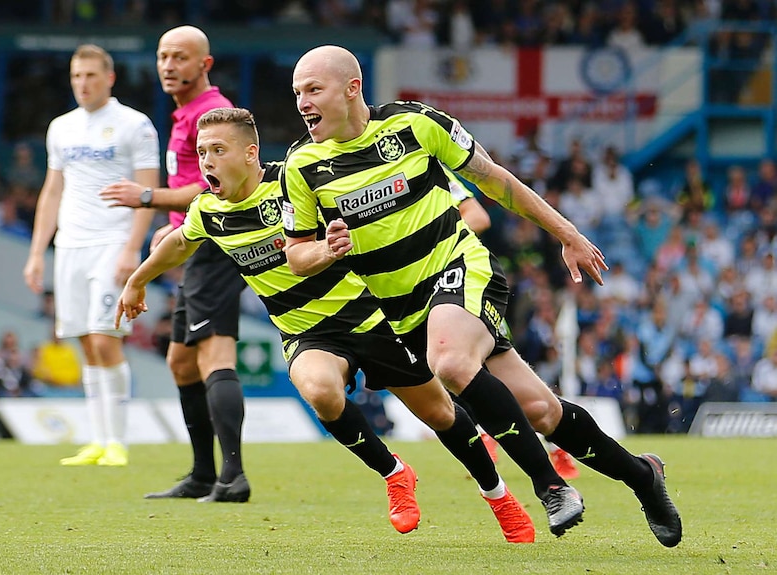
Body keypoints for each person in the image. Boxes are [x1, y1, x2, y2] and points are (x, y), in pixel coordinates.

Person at [282, 45, 682, 547]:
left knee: (448, 361)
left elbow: (495, 181)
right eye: (297, 92)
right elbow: (296, 254)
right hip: (406, 310)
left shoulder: (415, 125)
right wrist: (325, 250)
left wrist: (567, 234)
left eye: (313, 89)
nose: (302, 101)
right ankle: (644, 477)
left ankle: (550, 487)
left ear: (352, 88)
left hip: (461, 269)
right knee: (540, 412)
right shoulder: (301, 164)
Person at [115, 107, 535, 542]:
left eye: (218, 150)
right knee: (319, 391)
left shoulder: (294, 181)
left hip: (371, 316)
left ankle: (499, 496)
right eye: (202, 152)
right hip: (306, 333)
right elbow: (177, 245)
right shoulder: (208, 211)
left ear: (250, 154)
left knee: (441, 414)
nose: (206, 161)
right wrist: (136, 282)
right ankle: (395, 474)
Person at [99, 25, 249, 501]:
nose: (168, 65)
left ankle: (233, 478)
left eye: (180, 57)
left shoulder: (210, 113)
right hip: (193, 239)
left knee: (214, 354)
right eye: (163, 56)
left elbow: (210, 186)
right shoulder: (186, 113)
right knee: (181, 361)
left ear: (204, 64)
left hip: (215, 242)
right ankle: (204, 474)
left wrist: (146, 197)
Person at [22, 44, 160, 466]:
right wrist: (36, 253)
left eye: (91, 76)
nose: (83, 84)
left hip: (112, 243)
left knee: (106, 338)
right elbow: (52, 191)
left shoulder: (135, 125)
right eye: (76, 77)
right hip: (70, 247)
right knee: (85, 341)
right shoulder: (61, 127)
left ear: (110, 78)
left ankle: (117, 441)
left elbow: (147, 190)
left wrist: (132, 248)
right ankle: (98, 440)